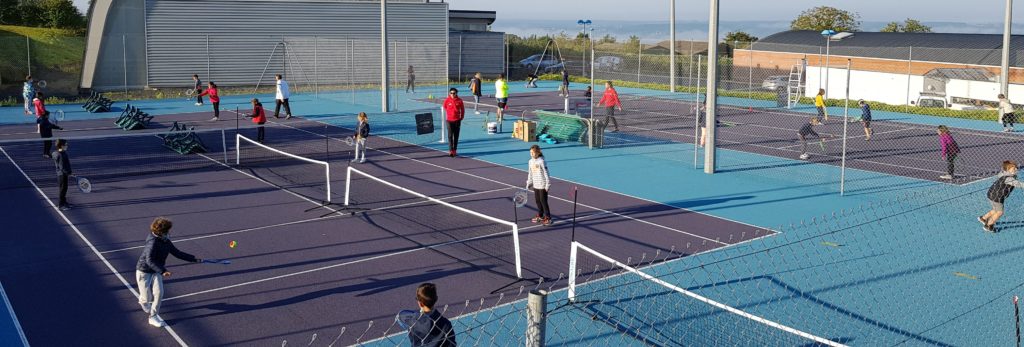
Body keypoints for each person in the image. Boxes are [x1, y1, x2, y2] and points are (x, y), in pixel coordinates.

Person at [136, 217, 202, 328]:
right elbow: (149, 260)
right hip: (144, 271)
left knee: (159, 293)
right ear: (161, 232)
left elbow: (177, 252)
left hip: (157, 270)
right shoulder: (152, 243)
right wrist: (163, 271)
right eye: (167, 231)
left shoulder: (165, 240)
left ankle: (153, 317)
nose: (169, 233)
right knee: (147, 298)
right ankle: (143, 301)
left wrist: (193, 259)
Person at [979, 161, 1024, 232]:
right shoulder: (1009, 178)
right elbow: (1018, 184)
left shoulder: (1002, 173)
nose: (1015, 169)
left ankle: (983, 218)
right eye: (1013, 168)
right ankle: (988, 225)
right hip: (997, 197)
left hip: (991, 194)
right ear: (1007, 170)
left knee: (995, 209)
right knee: (1000, 212)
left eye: (1016, 167)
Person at [527, 145, 552, 226]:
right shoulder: (530, 161)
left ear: (538, 152)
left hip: (542, 185)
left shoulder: (542, 161)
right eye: (530, 153)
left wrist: (547, 184)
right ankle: (540, 216)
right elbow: (530, 173)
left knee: (543, 201)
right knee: (538, 201)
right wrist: (529, 182)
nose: (531, 154)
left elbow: (546, 173)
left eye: (533, 153)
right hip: (536, 185)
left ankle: (548, 218)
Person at [443, 88, 465, 158]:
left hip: (457, 120)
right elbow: (445, 107)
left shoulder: (460, 100)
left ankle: (455, 150)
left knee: (456, 136)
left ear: (456, 93)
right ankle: (450, 151)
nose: (452, 94)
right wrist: (450, 113)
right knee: (450, 136)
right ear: (449, 93)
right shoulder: (447, 100)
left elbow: (462, 109)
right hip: (449, 121)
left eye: (454, 93)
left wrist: (461, 117)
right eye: (451, 93)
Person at [52, 139, 72, 210]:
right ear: (61, 146)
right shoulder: (61, 155)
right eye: (66, 145)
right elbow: (62, 167)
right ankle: (60, 205)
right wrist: (69, 173)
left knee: (64, 189)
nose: (67, 146)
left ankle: (64, 202)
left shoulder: (56, 153)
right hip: (62, 175)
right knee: (63, 189)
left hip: (61, 174)